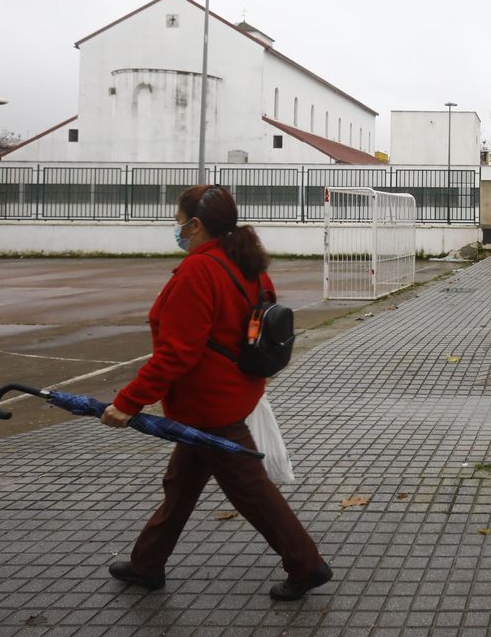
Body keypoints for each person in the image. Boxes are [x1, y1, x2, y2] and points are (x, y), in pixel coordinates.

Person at [101, 184, 331, 600]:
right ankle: (146, 564)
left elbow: (176, 353)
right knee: (181, 483)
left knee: (250, 490)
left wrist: (127, 402)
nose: (176, 229)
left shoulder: (197, 271)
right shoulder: (248, 264)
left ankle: (307, 564)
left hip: (209, 405)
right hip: (232, 393)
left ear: (195, 224)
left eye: (179, 221)